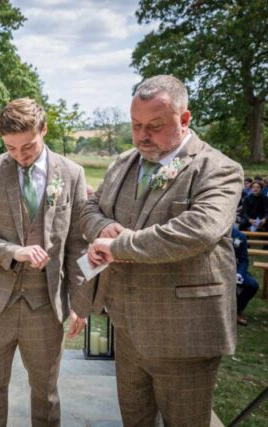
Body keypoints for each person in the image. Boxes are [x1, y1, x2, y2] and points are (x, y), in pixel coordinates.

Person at [74, 75, 242, 426]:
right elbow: (89, 208)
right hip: (127, 328)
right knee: (134, 419)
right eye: (136, 125)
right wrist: (102, 227)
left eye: (155, 125)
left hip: (185, 332)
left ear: (185, 119)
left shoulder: (218, 168)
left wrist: (119, 245)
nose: (142, 136)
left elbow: (197, 231)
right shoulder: (123, 163)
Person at [0, 98, 87, 426]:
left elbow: (77, 246)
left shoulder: (72, 174)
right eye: (10, 148)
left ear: (44, 129)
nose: (20, 155)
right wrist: (13, 251)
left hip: (45, 307)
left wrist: (80, 302)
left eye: (27, 146)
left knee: (46, 394)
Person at [232, 227, 258, 326]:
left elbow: (244, 260)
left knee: (252, 285)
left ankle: (237, 311)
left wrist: (239, 274)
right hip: (216, 271)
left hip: (234, 271)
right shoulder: (213, 232)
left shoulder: (240, 236)